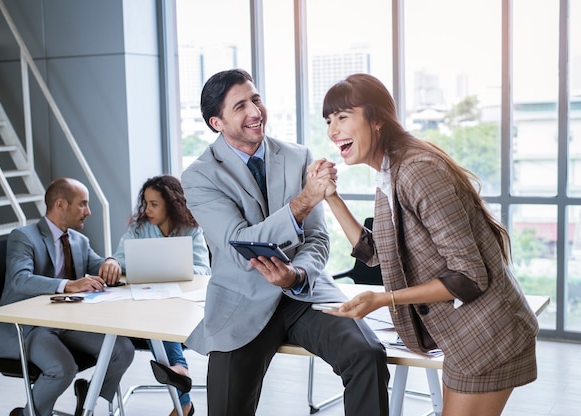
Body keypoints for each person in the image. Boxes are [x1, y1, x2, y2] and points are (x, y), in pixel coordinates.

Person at [309, 73, 539, 416]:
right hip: (465, 339)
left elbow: (469, 277)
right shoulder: (390, 171)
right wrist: (332, 198)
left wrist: (382, 299)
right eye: (329, 120)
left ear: (376, 120)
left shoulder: (417, 170)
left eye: (343, 117)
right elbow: (377, 255)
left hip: (490, 336)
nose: (332, 130)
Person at [180, 68, 390, 416]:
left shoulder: (297, 156)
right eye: (240, 106)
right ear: (217, 122)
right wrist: (304, 201)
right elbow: (237, 243)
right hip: (241, 300)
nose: (255, 112)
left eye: (256, 99)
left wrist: (297, 274)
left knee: (366, 354)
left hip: (303, 293)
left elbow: (318, 238)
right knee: (226, 408)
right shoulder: (200, 176)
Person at [0, 177, 135, 416]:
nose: (88, 212)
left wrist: (111, 261)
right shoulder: (24, 236)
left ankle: (87, 402)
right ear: (60, 205)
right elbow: (20, 279)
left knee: (122, 349)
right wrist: (68, 285)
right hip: (30, 325)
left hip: (66, 323)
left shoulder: (79, 240)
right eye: (83, 204)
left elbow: (99, 264)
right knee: (63, 368)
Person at [113, 174, 211, 416]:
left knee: (161, 317)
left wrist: (170, 269)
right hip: (145, 305)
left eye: (154, 204)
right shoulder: (138, 230)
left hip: (182, 306)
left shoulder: (192, 230)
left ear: (171, 203)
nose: (148, 210)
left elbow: (203, 270)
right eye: (145, 203)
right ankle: (180, 378)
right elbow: (119, 259)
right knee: (156, 315)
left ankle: (183, 394)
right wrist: (112, 263)